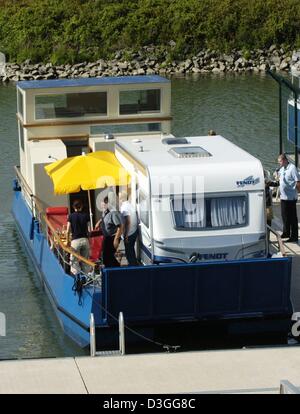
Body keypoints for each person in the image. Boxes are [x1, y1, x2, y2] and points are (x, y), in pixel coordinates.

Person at [268, 154, 300, 243]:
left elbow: (298, 181)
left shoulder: (292, 168)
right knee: (285, 216)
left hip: (291, 197)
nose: (279, 163)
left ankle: (294, 236)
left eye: (280, 161)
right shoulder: (282, 169)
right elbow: (280, 181)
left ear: (285, 160)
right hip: (283, 197)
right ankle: (286, 233)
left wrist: (298, 192)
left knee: (292, 218)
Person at [95, 196, 123, 267]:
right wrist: (99, 222)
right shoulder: (105, 211)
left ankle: (114, 270)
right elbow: (104, 218)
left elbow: (120, 227)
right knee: (106, 256)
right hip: (106, 237)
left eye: (103, 203)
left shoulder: (113, 213)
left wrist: (116, 239)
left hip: (112, 237)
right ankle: (115, 268)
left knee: (108, 257)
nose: (101, 204)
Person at [66, 199, 91, 275]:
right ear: (82, 206)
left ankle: (77, 278)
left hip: (75, 241)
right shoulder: (86, 216)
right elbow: (89, 230)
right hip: (85, 240)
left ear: (73, 207)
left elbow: (68, 231)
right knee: (85, 260)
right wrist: (88, 239)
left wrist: (68, 241)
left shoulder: (71, 216)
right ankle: (86, 278)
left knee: (74, 261)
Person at [119, 191, 139, 266]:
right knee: (131, 252)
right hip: (134, 231)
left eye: (119, 198)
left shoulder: (124, 207)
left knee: (129, 253)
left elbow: (127, 221)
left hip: (129, 233)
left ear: (121, 199)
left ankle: (133, 269)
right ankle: (134, 267)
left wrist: (125, 235)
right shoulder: (130, 205)